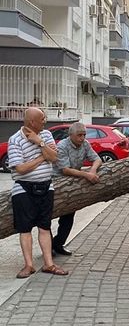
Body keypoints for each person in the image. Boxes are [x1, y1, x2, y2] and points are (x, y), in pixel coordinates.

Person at [7, 107, 68, 278]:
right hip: (23, 189)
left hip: (46, 187)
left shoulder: (46, 135)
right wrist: (43, 156)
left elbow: (55, 157)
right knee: (25, 229)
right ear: (32, 122)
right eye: (42, 118)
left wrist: (38, 142)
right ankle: (28, 265)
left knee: (44, 226)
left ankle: (49, 264)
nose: (45, 120)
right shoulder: (15, 140)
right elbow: (20, 168)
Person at [52, 122, 102, 256]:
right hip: (58, 183)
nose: (82, 138)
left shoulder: (85, 144)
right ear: (71, 135)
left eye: (84, 135)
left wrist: (92, 170)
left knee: (68, 217)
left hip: (73, 184)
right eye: (79, 135)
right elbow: (65, 169)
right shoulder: (62, 146)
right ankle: (48, 247)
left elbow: (97, 159)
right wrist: (87, 175)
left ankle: (58, 245)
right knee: (48, 216)